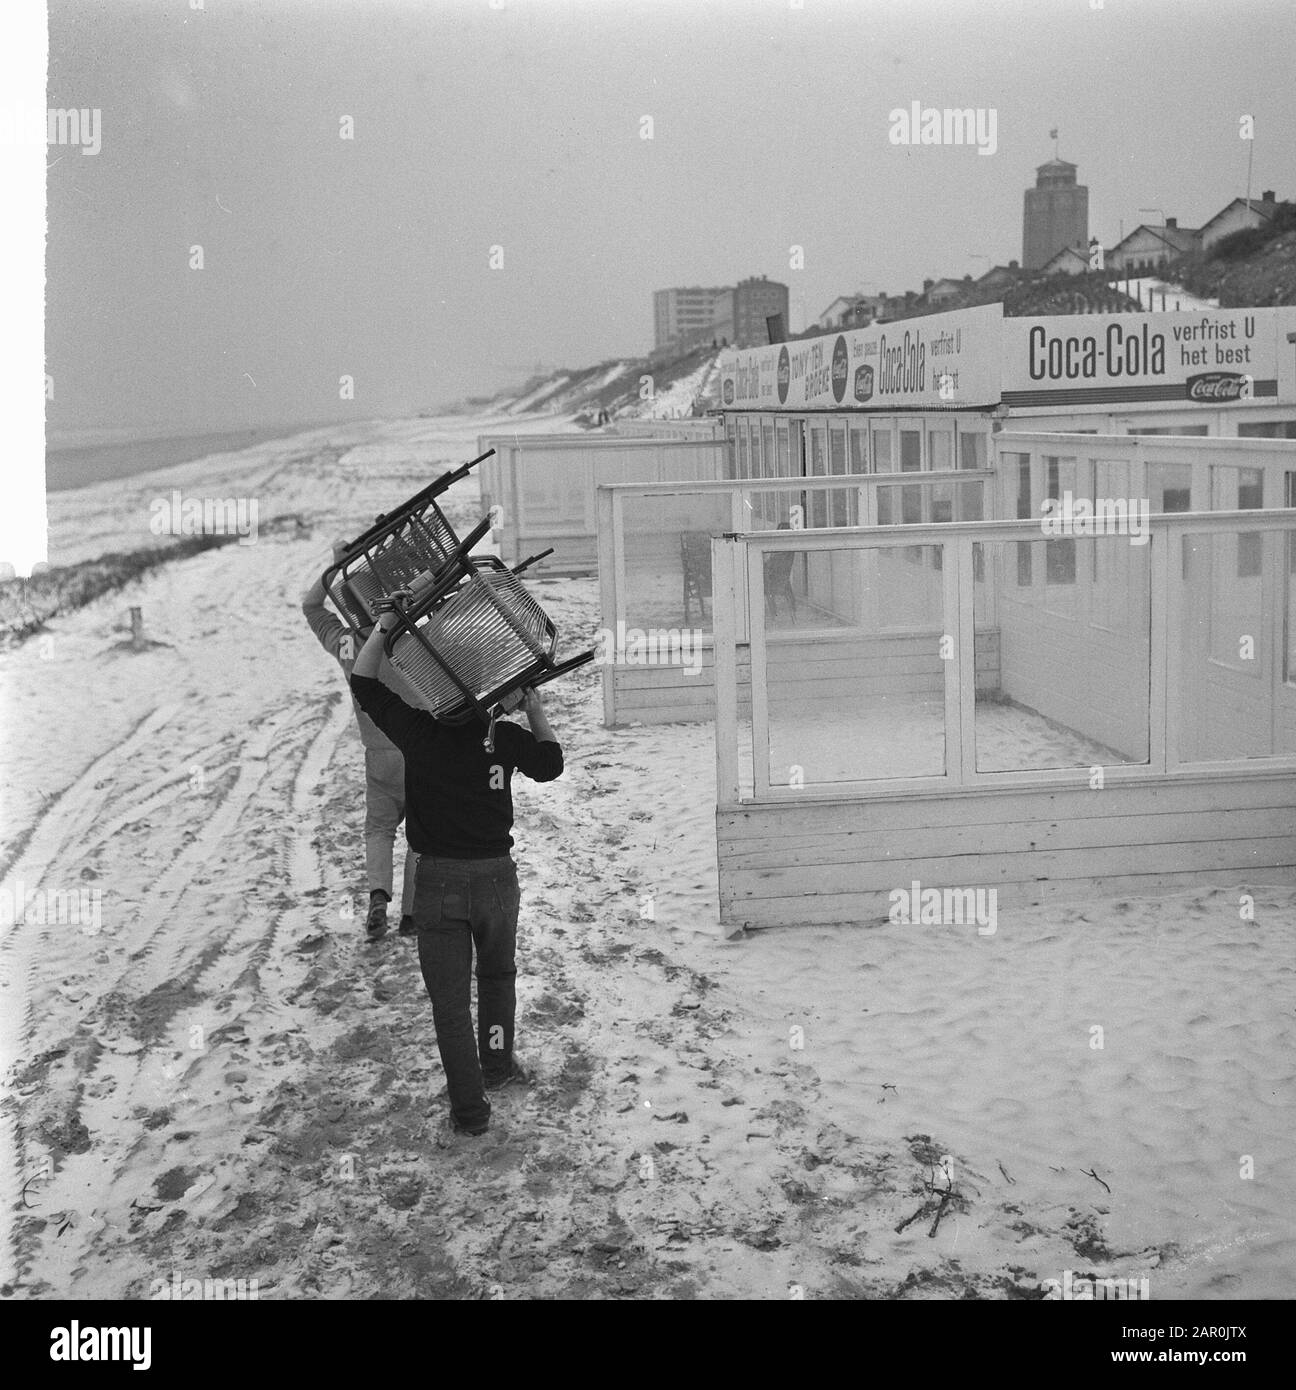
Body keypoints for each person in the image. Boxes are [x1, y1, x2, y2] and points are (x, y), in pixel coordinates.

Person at [350, 611, 563, 1138]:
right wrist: (535, 711)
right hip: (497, 881)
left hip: (439, 883)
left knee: (450, 1007)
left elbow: (363, 681)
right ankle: (496, 1065)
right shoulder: (503, 739)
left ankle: (470, 1114)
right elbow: (552, 763)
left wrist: (384, 624)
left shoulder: (418, 734)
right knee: (497, 978)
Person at [302, 543, 417, 942]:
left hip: (377, 753)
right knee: (423, 831)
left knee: (379, 829)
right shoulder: (413, 637)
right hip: (419, 747)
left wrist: (335, 567)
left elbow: (311, 607)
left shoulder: (348, 644)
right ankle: (413, 914)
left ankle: (378, 900)